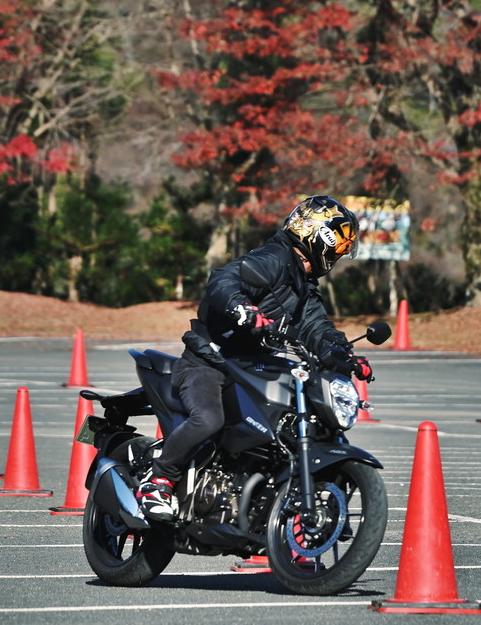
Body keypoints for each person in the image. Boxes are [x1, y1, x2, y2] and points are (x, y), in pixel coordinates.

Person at [138, 195, 373, 520]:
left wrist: (344, 356)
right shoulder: (273, 259)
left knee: (287, 425)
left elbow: (319, 328)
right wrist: (243, 310)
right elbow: (223, 281)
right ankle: (158, 479)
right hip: (210, 361)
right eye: (339, 244)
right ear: (319, 237)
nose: (340, 252)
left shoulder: (304, 288)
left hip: (253, 368)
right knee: (208, 419)